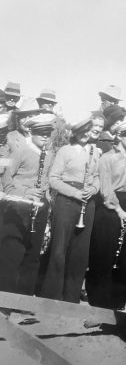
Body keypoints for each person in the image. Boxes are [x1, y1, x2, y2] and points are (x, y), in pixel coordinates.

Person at [38, 116, 101, 302]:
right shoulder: (65, 150)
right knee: (59, 249)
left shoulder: (95, 151)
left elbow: (97, 176)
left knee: (80, 251)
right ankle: (52, 294)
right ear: (75, 133)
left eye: (88, 131)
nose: (85, 135)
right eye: (81, 131)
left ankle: (71, 296)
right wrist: (74, 193)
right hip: (67, 202)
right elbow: (53, 179)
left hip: (87, 203)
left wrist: (94, 189)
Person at [0, 114, 56, 295]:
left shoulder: (49, 153)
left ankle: (24, 300)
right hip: (19, 206)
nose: (45, 136)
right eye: (40, 133)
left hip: (39, 208)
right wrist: (24, 193)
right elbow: (7, 178)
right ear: (31, 132)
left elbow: (47, 180)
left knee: (32, 254)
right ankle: (6, 299)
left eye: (48, 133)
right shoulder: (21, 150)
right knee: (13, 253)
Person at [87, 118, 126, 309]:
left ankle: (117, 300)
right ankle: (100, 300)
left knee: (124, 256)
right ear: (119, 136)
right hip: (109, 211)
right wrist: (119, 210)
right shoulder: (106, 158)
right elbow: (106, 190)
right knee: (105, 255)